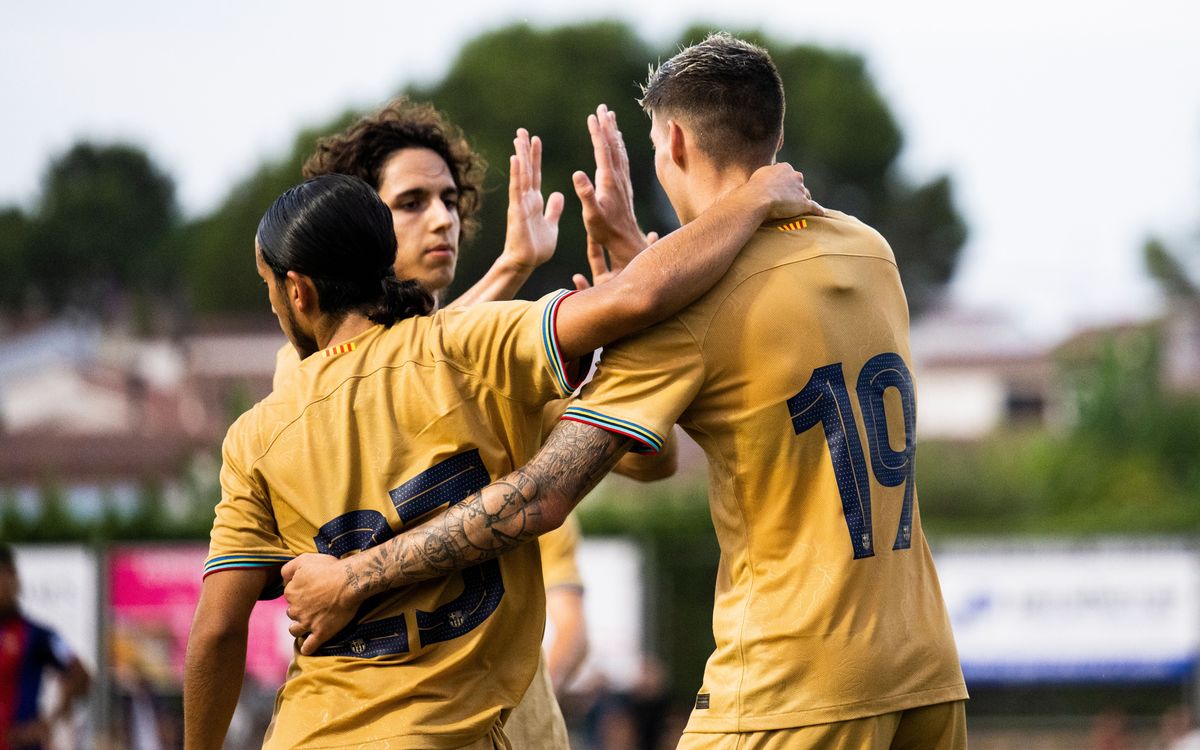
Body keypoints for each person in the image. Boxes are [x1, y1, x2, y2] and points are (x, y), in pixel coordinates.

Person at [282, 33, 968, 750]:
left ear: (671, 143)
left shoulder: (686, 310)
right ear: (776, 134)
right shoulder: (870, 253)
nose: (441, 218)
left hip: (793, 685)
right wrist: (645, 263)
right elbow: (756, 337)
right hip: (925, 670)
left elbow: (546, 492)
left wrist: (352, 579)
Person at [183, 144, 816, 750]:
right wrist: (752, 197)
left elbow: (216, 631)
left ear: (298, 291)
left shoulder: (256, 433)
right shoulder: (469, 345)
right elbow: (638, 298)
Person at [280, 97, 671, 748]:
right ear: (356, 228)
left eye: (450, 199)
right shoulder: (304, 371)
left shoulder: (503, 374)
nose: (443, 217)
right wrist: (513, 267)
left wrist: (634, 346)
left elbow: (651, 460)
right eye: (412, 202)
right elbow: (398, 377)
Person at [0, 544, 91, 750]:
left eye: (5, 576)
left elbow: (81, 675)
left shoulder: (36, 634)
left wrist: (49, 721)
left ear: (14, 579)